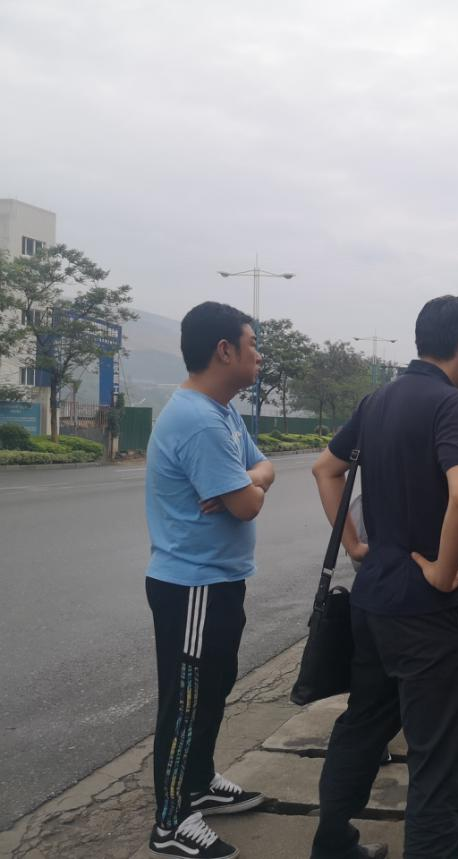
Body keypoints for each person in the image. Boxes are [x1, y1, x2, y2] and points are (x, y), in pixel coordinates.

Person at [310, 295, 458, 859]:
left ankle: (332, 844)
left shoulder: (377, 399)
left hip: (372, 602)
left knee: (363, 724)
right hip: (426, 614)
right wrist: (442, 570)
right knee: (440, 757)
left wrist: (355, 545)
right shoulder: (451, 404)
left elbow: (325, 468)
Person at [145, 302, 275, 859]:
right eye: (252, 344)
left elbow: (264, 469)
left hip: (217, 581)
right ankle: (172, 823)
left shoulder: (221, 412)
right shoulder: (199, 421)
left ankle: (198, 784)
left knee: (212, 691)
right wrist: (248, 487)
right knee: (186, 703)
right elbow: (248, 505)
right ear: (224, 350)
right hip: (192, 586)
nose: (258, 355)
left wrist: (246, 480)